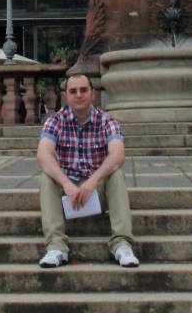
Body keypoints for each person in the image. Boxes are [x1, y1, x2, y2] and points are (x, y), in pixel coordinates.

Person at [36, 72, 138, 269]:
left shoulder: (107, 121)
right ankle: (56, 246)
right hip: (67, 193)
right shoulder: (55, 121)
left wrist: (93, 181)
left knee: (116, 173)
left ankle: (122, 244)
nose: (79, 95)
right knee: (47, 175)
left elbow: (117, 155)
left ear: (93, 94)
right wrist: (66, 183)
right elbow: (43, 155)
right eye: (73, 91)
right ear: (66, 96)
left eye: (83, 90)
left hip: (96, 191)